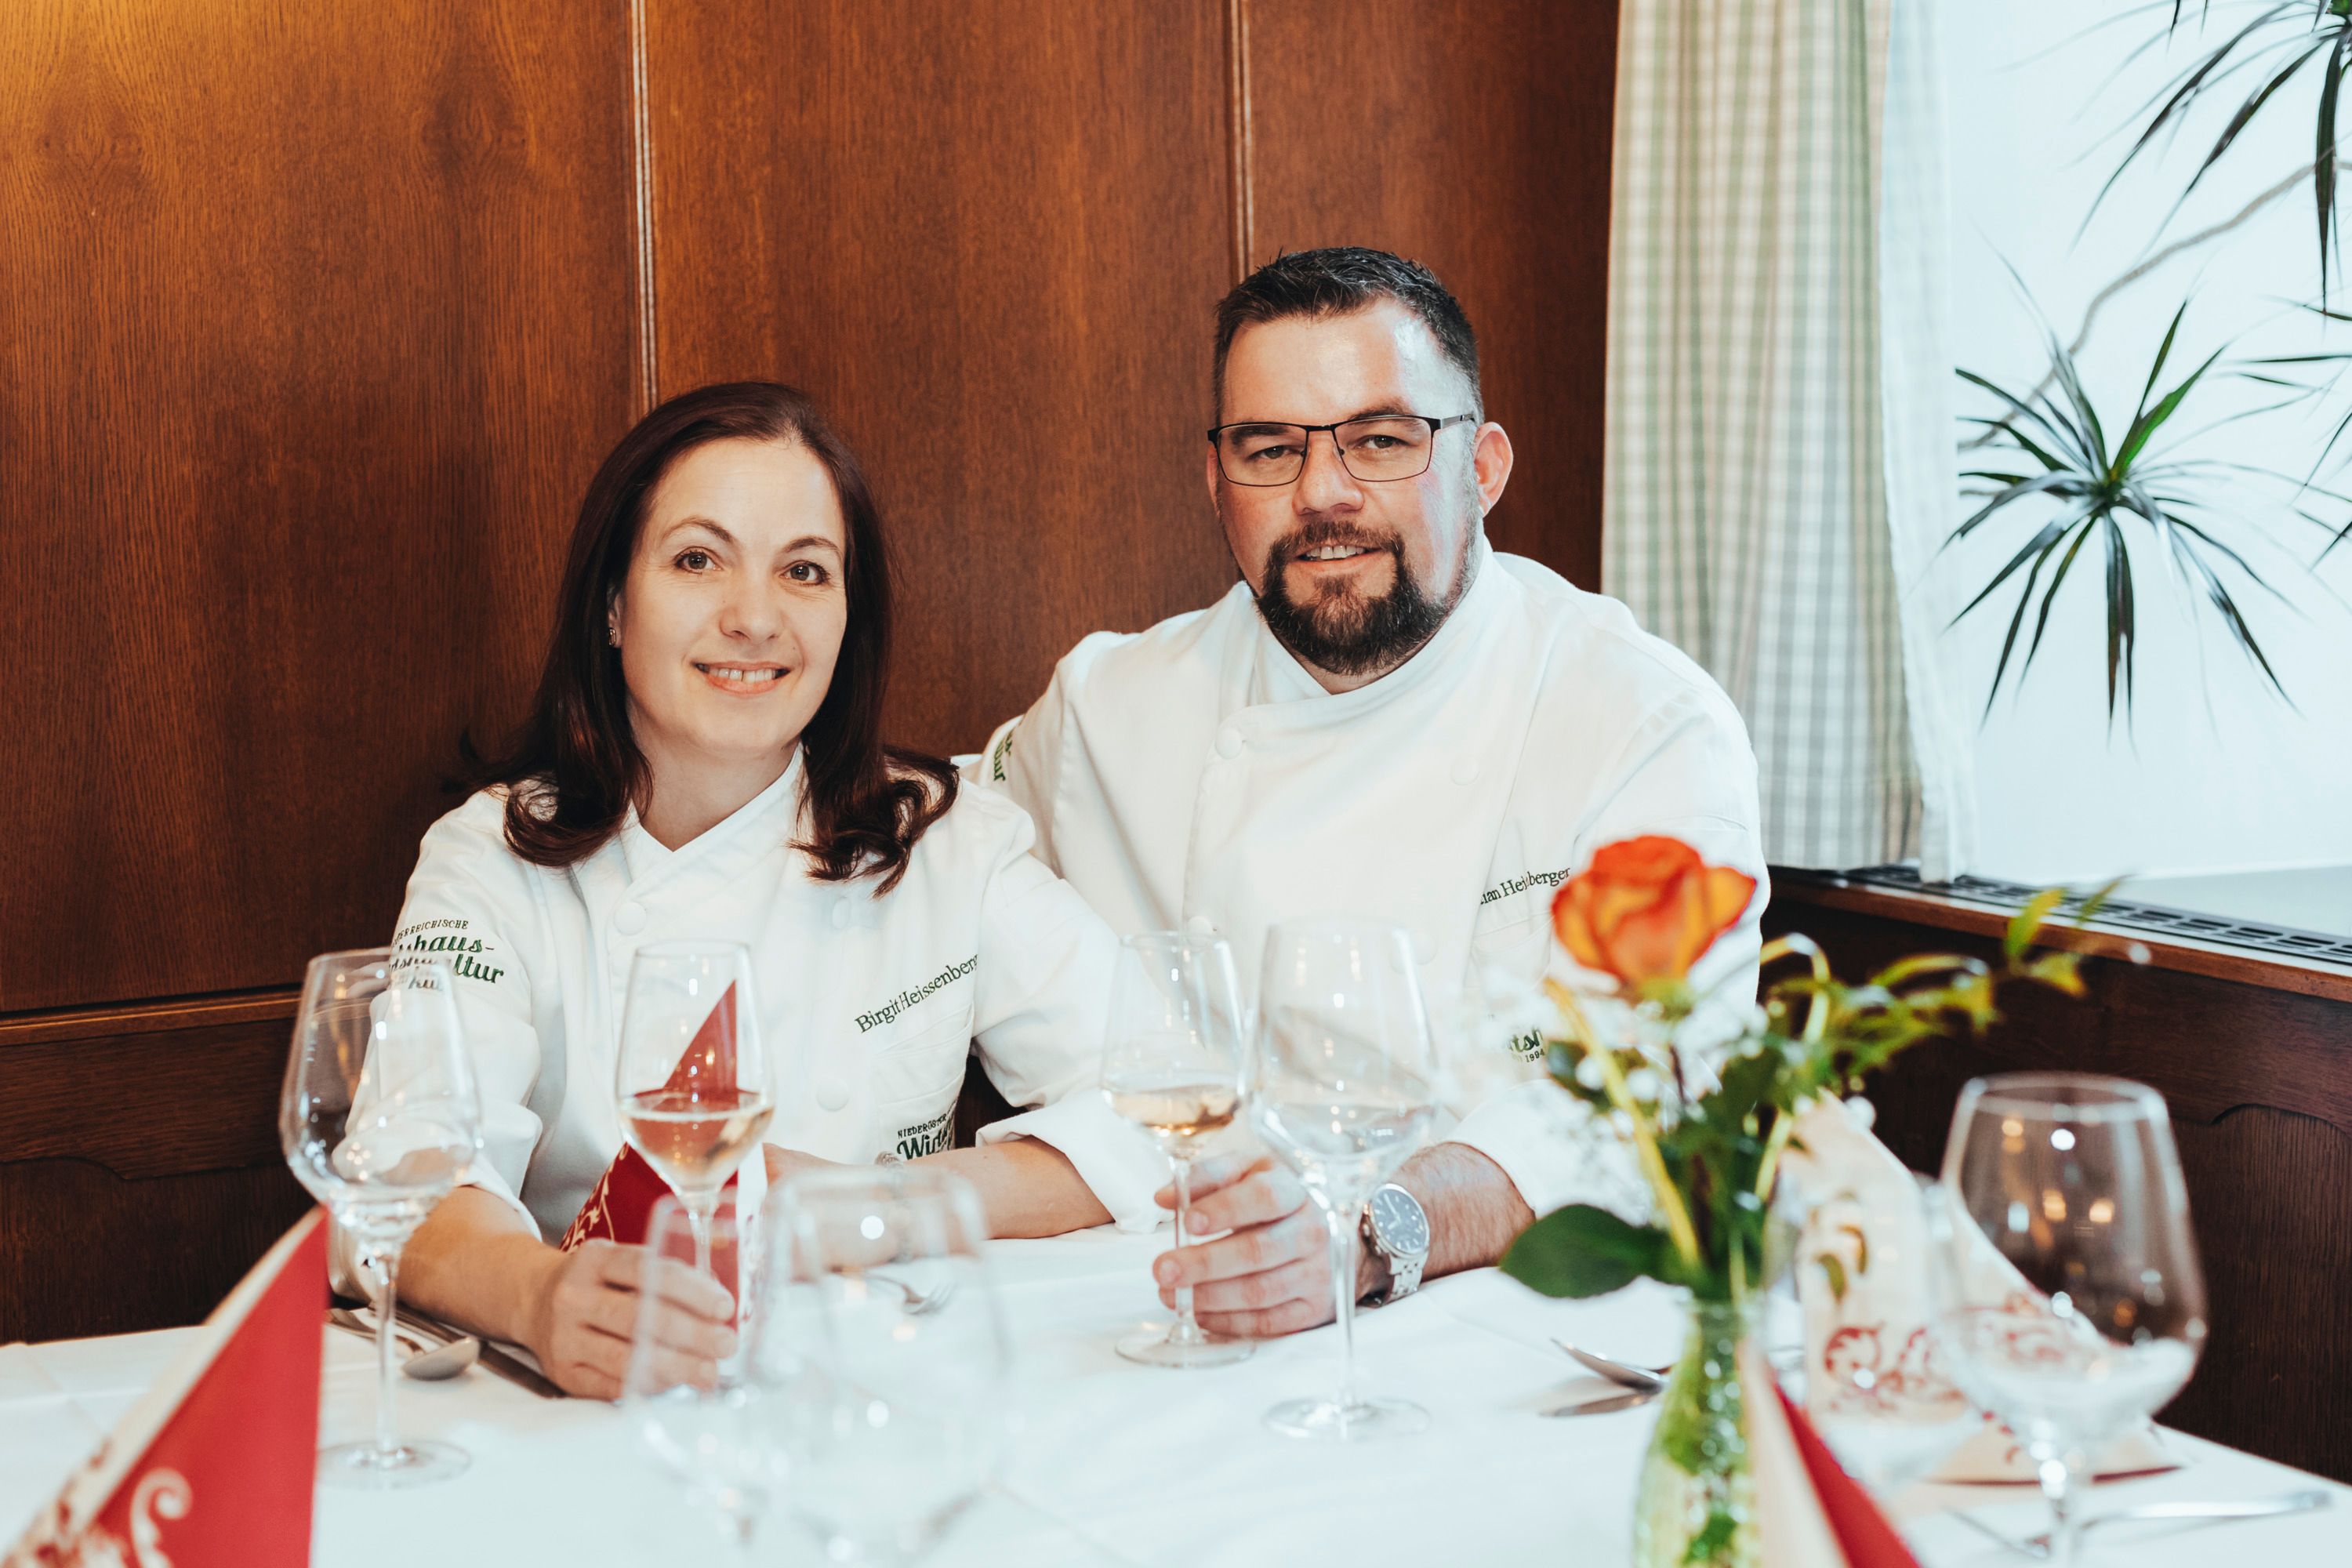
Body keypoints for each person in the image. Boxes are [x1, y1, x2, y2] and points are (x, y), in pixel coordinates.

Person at [971, 248, 1766, 1337]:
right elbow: (947, 863)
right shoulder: (1108, 708)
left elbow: (1645, 1103)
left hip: (1527, 1329)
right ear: (1216, 482)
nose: (1323, 494)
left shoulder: (1638, 720)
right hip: (1186, 1302)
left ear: (1484, 467)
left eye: (1382, 440)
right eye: (1270, 450)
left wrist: (1371, 1233)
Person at [391, 381, 1156, 1398]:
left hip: (891, 1384)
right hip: (617, 1393)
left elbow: (1172, 1098)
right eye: (697, 560)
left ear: (847, 620)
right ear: (613, 605)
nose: (755, 618)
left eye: (804, 570)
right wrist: (538, 1298)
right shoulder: (491, 860)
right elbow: (404, 1178)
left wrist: (877, 1205)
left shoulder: (942, 839)